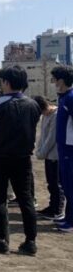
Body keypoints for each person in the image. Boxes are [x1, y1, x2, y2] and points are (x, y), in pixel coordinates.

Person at [0, 66, 41, 254]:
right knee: (26, 198)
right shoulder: (33, 104)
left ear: (7, 83)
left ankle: (1, 239)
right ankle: (30, 241)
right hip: (23, 157)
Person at [33, 95, 63, 221]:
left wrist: (42, 153)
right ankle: (52, 206)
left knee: (56, 184)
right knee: (51, 183)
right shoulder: (45, 116)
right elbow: (43, 135)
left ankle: (57, 210)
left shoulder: (56, 115)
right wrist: (39, 149)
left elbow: (52, 137)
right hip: (48, 155)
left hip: (55, 155)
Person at [51, 65, 73, 233]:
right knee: (65, 184)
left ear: (62, 80)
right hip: (63, 149)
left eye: (54, 79)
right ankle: (68, 217)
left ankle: (71, 222)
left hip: (70, 150)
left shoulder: (71, 98)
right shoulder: (64, 97)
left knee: (70, 185)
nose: (53, 82)